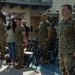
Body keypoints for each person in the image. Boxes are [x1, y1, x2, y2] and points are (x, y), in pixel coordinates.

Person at [59, 4, 75, 75]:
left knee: (70, 70)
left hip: (70, 51)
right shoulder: (61, 23)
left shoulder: (73, 22)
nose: (62, 11)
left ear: (70, 11)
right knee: (63, 69)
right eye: (61, 9)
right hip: (61, 50)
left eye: (64, 9)